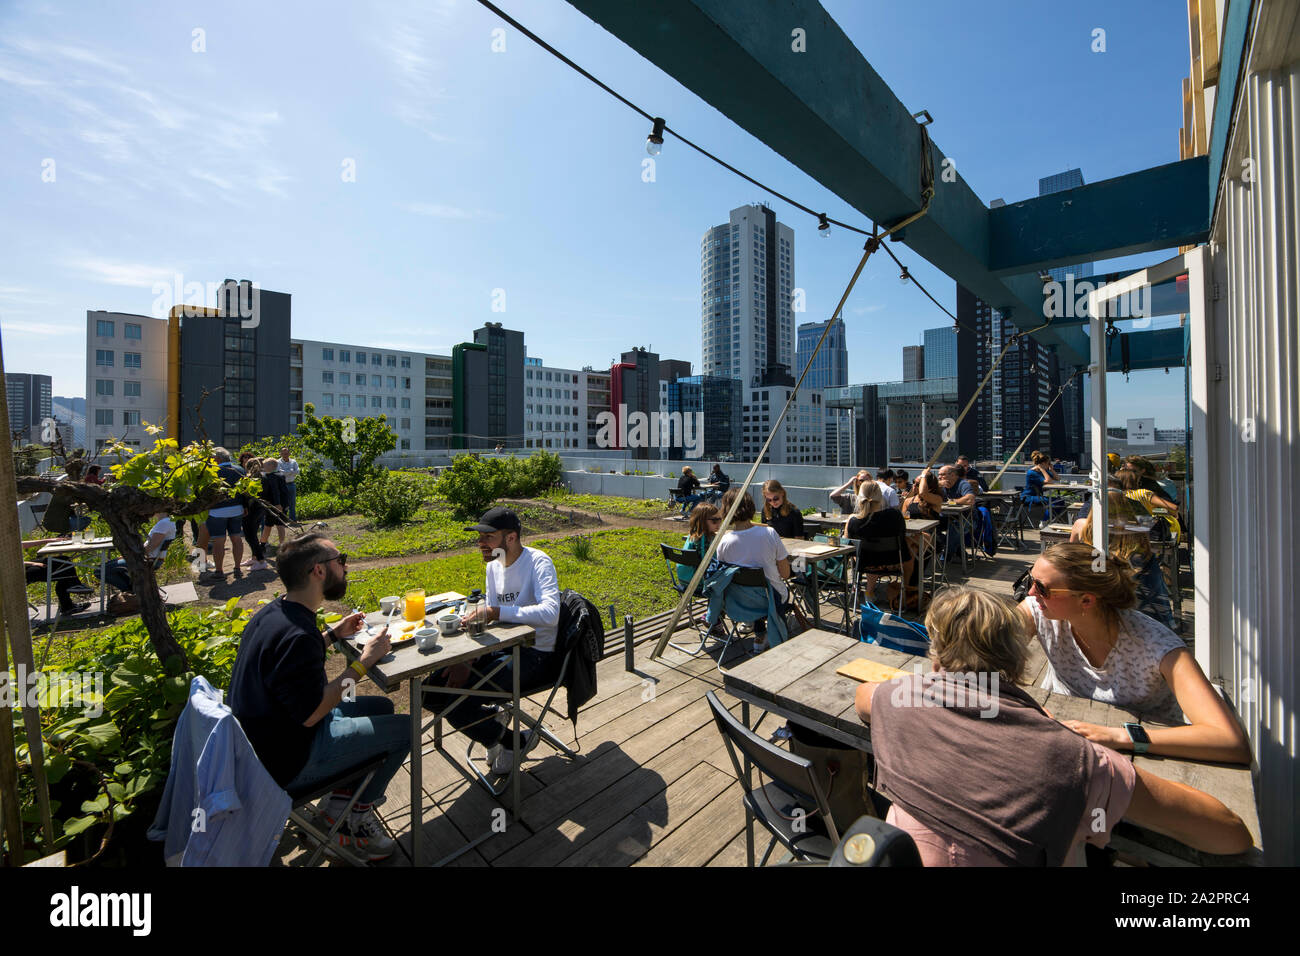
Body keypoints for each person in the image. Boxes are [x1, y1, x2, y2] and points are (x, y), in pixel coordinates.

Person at [854, 587, 1253, 865]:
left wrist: (926, 686)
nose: (1035, 594)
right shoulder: (1075, 760)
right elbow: (1229, 833)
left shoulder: (894, 703)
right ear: (1019, 659)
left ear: (935, 652)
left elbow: (865, 696)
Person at [227, 532, 408, 860]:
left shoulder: (276, 613)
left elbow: (290, 666)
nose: (346, 567)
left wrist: (333, 634)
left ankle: (338, 805)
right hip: (288, 760)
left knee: (381, 704)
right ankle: (355, 819)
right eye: (341, 561)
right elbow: (312, 712)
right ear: (318, 571)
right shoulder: (298, 635)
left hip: (265, 741)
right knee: (407, 730)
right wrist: (364, 661)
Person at [1018, 542, 1250, 765]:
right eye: (1031, 579)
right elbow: (987, 651)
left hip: (1148, 755)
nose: (1030, 592)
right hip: (1063, 735)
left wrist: (1121, 737)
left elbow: (1230, 741)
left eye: (1041, 588)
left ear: (1086, 600)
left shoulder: (1157, 646)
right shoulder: (1040, 613)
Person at [422, 507, 562, 776]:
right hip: (502, 646)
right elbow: (493, 621)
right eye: (480, 536)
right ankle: (509, 737)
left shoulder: (538, 562)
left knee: (457, 702)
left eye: (488, 536)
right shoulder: (493, 567)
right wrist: (468, 658)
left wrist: (495, 612)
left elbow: (551, 613)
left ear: (510, 538)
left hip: (536, 655)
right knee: (432, 690)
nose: (481, 543)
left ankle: (502, 734)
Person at [1070, 493, 1175, 629]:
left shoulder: (1082, 526)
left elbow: (1071, 555)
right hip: (1137, 610)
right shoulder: (1137, 536)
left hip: (1096, 603)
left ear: (1095, 508)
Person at [715, 488, 792, 653]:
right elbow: (785, 574)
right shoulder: (769, 533)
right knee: (769, 587)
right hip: (771, 600)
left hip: (738, 602)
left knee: (753, 588)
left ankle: (760, 635)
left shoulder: (724, 541)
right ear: (751, 506)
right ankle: (774, 635)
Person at [847, 481, 914, 601]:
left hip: (866, 565)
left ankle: (868, 591)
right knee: (911, 549)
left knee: (869, 554)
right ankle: (906, 590)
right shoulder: (895, 515)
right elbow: (902, 537)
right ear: (880, 496)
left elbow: (847, 544)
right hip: (893, 563)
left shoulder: (853, 521)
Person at [100, 509, 176, 593]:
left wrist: (132, 555)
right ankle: (135, 590)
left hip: (147, 559)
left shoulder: (164, 523)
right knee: (105, 567)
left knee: (101, 570)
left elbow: (152, 546)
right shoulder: (168, 521)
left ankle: (133, 592)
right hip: (150, 558)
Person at [201, 448, 245, 581]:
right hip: (237, 508)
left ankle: (219, 570)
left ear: (217, 459)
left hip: (217, 510)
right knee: (236, 538)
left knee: (218, 541)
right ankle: (237, 568)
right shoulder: (240, 470)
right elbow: (244, 490)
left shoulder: (212, 472)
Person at [23, 535, 90, 615]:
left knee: (64, 560)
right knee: (63, 566)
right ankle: (74, 589)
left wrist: (49, 540)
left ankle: (68, 604)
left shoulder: (6, 543)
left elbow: (22, 544)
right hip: (19, 573)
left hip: (24, 567)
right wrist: (33, 563)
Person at [1116, 466, 1181, 538]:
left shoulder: (1115, 495)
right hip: (1151, 532)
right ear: (1134, 480)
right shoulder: (1143, 494)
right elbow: (1174, 508)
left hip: (1125, 532)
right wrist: (1174, 514)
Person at [237, 460, 272, 572]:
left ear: (247, 467)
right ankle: (254, 558)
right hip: (261, 509)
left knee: (249, 536)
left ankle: (261, 560)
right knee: (254, 534)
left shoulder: (247, 479)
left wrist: (244, 507)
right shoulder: (264, 478)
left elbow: (244, 496)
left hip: (250, 511)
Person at [258, 458, 289, 549]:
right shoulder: (281, 475)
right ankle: (281, 544)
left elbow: (276, 491)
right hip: (283, 503)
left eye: (265, 465)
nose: (263, 466)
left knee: (270, 524)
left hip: (275, 504)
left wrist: (277, 504)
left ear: (272, 466)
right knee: (279, 524)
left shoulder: (271, 477)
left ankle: (263, 544)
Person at [278, 446, 301, 521]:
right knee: (283, 503)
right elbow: (280, 473)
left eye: (287, 453)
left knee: (292, 503)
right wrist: (291, 472)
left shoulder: (293, 461)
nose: (285, 454)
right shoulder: (278, 462)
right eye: (283, 453)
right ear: (281, 454)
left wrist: (286, 472)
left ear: (289, 453)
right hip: (282, 485)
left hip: (291, 484)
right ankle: (283, 519)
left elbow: (297, 471)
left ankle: (293, 519)